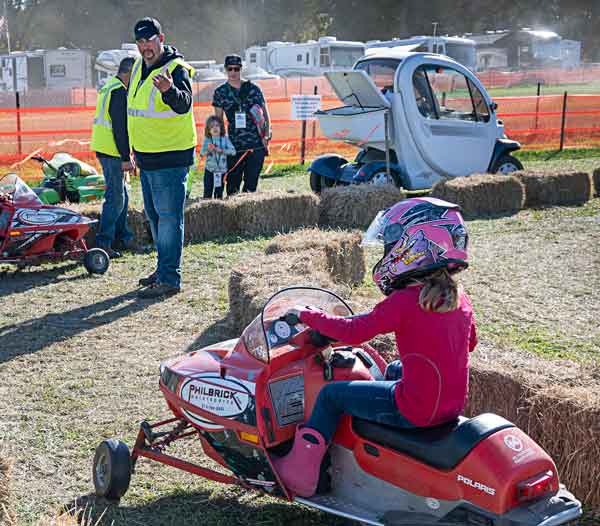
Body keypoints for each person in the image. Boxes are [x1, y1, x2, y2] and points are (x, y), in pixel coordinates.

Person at [273, 197, 477, 498]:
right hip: (449, 405)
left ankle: (300, 474)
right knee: (395, 368)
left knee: (332, 396)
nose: (386, 251)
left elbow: (354, 332)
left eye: (391, 243)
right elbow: (469, 343)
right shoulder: (459, 299)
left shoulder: (405, 301)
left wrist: (307, 314)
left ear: (415, 246)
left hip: (416, 410)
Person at [128, 17, 196, 299]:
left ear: (161, 38)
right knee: (155, 218)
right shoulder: (137, 66)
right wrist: (132, 149)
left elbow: (184, 104)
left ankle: (170, 278)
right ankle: (163, 269)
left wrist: (169, 90)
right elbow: (135, 110)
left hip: (170, 157)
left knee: (168, 219)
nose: (146, 46)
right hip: (146, 157)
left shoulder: (176, 69)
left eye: (150, 40)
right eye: (141, 41)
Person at [91, 57, 136, 258]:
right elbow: (120, 128)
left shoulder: (109, 86)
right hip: (112, 151)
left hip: (105, 147)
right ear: (129, 73)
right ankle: (103, 243)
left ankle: (123, 237)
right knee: (115, 198)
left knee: (122, 195)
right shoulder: (119, 92)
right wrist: (126, 157)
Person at [212, 55, 271, 196]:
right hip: (234, 146)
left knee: (251, 187)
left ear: (241, 69)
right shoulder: (220, 93)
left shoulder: (253, 89)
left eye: (236, 69)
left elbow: (266, 114)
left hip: (255, 145)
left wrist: (267, 134)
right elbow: (218, 120)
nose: (233, 72)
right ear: (225, 69)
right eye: (230, 69)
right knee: (232, 186)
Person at [200, 115, 235, 199]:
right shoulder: (207, 140)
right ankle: (207, 210)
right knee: (207, 193)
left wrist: (222, 151)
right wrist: (208, 151)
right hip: (209, 170)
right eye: (212, 126)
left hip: (221, 172)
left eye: (217, 125)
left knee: (218, 194)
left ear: (221, 127)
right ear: (208, 130)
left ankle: (218, 210)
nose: (215, 128)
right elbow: (201, 153)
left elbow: (233, 152)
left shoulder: (225, 139)